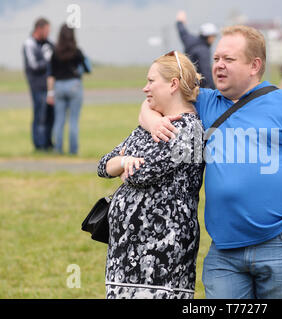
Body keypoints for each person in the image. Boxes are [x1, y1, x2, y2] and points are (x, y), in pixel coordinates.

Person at [139, 25, 282, 299]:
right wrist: (154, 121)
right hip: (226, 250)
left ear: (254, 65)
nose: (218, 65)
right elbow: (154, 98)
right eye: (217, 58)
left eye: (228, 60)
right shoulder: (205, 102)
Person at [97, 51, 205, 299]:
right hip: (125, 254)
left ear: (173, 84)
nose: (145, 89)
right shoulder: (152, 125)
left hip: (161, 254)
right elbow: (104, 165)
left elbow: (141, 174)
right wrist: (124, 161)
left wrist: (125, 165)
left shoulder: (189, 130)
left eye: (151, 81)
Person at [46, 24, 91, 155]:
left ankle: (58, 149)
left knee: (59, 120)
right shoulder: (76, 51)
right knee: (73, 121)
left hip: (59, 86)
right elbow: (87, 68)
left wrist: (50, 93)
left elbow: (51, 74)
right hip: (74, 85)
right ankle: (73, 151)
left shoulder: (55, 52)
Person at [23, 17, 54, 151]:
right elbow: (33, 65)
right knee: (40, 116)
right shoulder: (29, 44)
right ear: (39, 29)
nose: (48, 33)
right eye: (46, 31)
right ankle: (39, 146)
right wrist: (46, 60)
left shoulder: (47, 43)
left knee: (50, 116)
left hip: (49, 87)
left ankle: (48, 143)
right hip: (37, 86)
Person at [176, 10, 218, 89]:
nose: (214, 39)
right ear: (208, 36)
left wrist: (179, 22)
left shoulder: (190, 40)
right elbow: (206, 72)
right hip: (197, 87)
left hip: (186, 82)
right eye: (213, 36)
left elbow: (182, 32)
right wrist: (214, 89)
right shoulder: (204, 51)